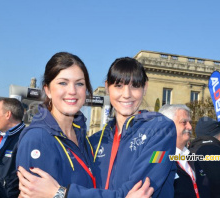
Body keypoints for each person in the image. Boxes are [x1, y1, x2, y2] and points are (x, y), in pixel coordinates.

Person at [17, 56, 176, 197]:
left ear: (145, 87)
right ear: (107, 87)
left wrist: (62, 193)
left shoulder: (161, 132)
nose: (127, 94)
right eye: (119, 86)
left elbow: (140, 190)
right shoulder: (95, 141)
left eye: (135, 86)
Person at [159, 104, 210, 198]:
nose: (190, 127)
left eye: (189, 122)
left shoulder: (192, 157)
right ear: (167, 126)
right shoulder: (158, 157)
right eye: (184, 122)